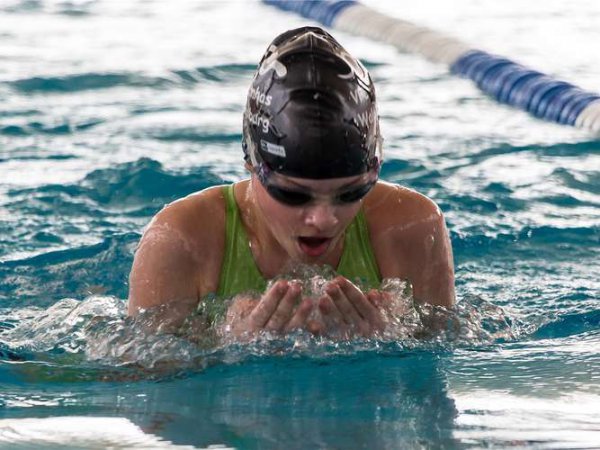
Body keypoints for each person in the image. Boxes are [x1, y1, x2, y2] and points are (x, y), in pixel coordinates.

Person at [128, 26, 455, 339]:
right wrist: (229, 349)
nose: (324, 219)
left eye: (351, 192)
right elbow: (137, 371)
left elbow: (448, 354)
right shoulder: (182, 239)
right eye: (294, 195)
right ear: (251, 163)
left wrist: (391, 347)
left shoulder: (412, 227)